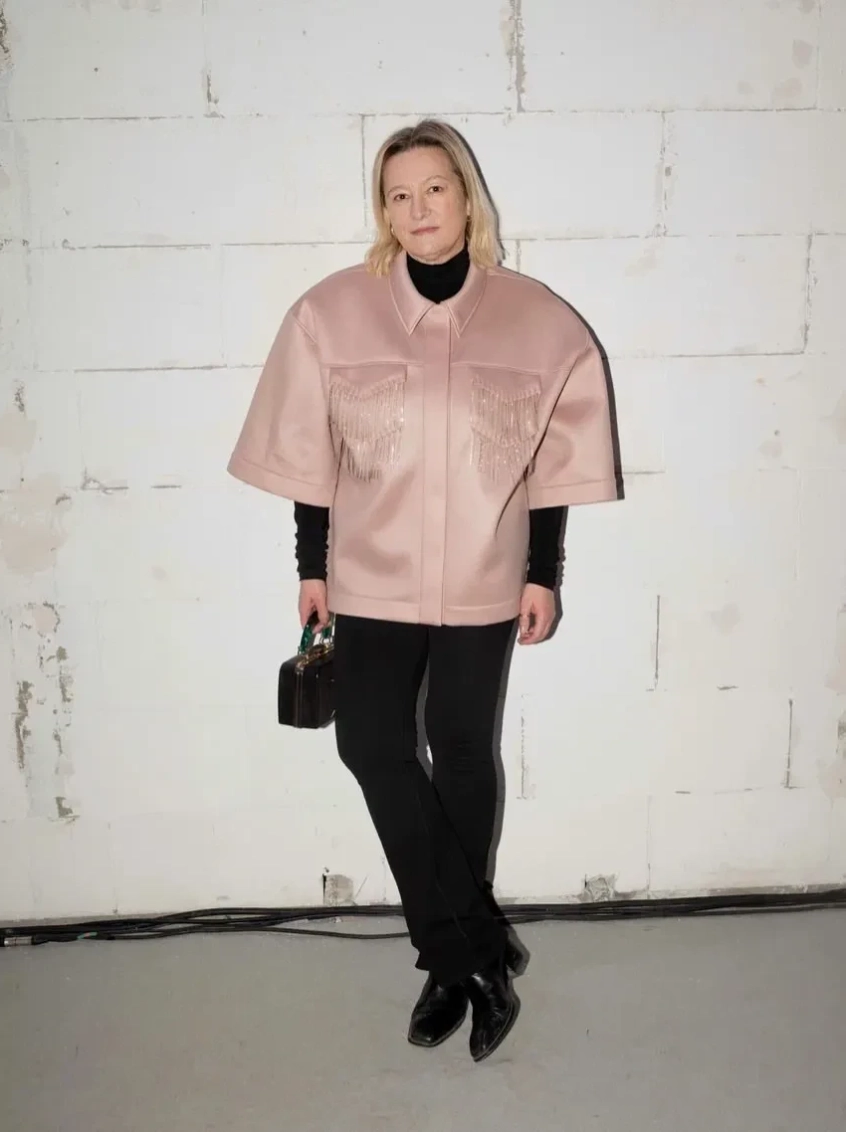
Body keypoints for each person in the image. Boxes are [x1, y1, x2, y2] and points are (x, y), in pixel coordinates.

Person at [227, 119, 618, 1063]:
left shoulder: (540, 320)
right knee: (369, 745)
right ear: (383, 210)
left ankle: (451, 969)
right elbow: (311, 454)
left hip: (486, 574)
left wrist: (543, 573)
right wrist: (311, 565)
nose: (417, 209)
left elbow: (552, 466)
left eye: (434, 188)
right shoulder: (331, 314)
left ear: (465, 195)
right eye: (397, 195)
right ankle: (474, 951)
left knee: (462, 751)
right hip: (371, 576)